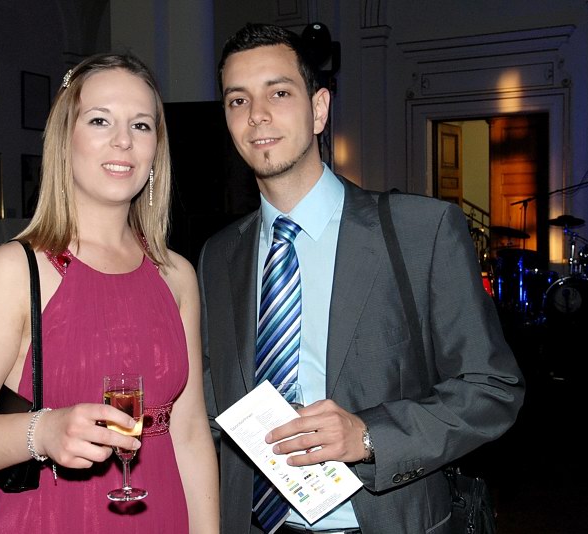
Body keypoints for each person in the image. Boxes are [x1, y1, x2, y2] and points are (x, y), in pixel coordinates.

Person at [198, 23, 525, 534]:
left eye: (278, 93)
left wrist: (368, 436)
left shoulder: (420, 231)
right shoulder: (218, 256)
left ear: (319, 109)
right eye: (238, 100)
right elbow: (210, 404)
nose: (257, 114)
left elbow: (492, 389)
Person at [0, 53, 219, 533]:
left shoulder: (176, 275)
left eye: (141, 125)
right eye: (100, 120)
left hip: (162, 514)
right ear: (65, 139)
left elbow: (188, 433)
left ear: (156, 149)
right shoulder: (15, 271)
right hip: (55, 517)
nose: (123, 140)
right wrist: (42, 431)